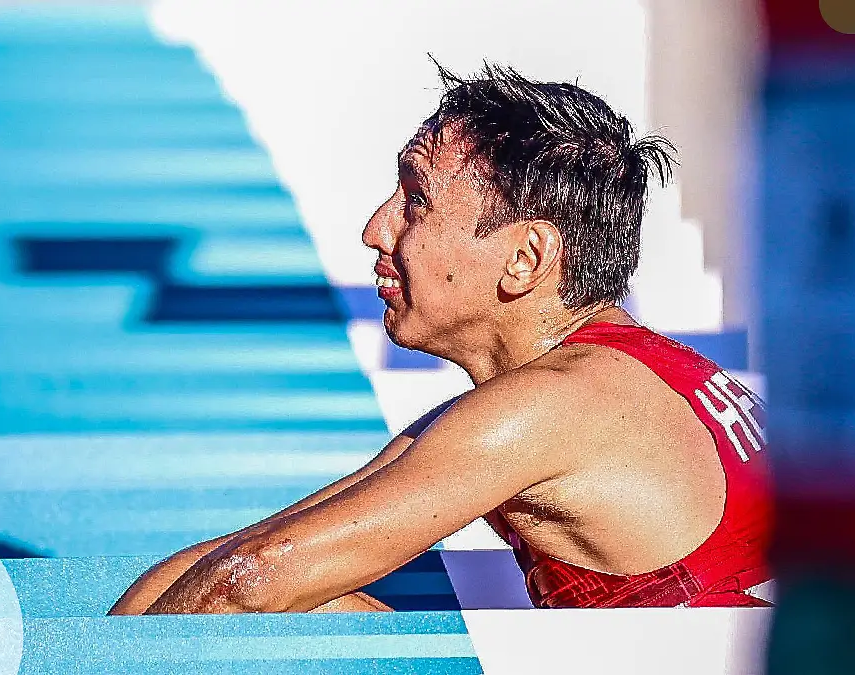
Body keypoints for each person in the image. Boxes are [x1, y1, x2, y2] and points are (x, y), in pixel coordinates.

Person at [110, 63, 772, 614]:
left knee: (292, 609)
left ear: (524, 259)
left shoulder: (550, 408)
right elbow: (238, 557)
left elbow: (243, 585)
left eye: (415, 200)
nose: (376, 229)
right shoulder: (616, 381)